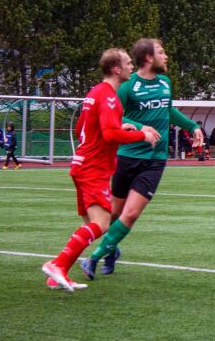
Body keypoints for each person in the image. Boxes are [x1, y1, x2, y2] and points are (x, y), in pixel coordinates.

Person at [80, 38, 203, 280]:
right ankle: (111, 250)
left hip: (155, 160)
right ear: (148, 57)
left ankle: (93, 258)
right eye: (161, 51)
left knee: (132, 213)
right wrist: (141, 127)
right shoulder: (128, 86)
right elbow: (117, 117)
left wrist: (191, 126)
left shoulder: (165, 83)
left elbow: (167, 110)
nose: (165, 56)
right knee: (113, 214)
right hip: (127, 156)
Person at [42, 49, 158, 292]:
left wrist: (119, 125)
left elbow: (82, 129)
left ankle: (56, 275)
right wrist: (141, 134)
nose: (131, 66)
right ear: (116, 69)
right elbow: (109, 134)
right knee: (102, 224)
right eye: (127, 63)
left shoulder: (95, 93)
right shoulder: (109, 97)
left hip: (82, 164)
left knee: (90, 227)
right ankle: (58, 265)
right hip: (93, 168)